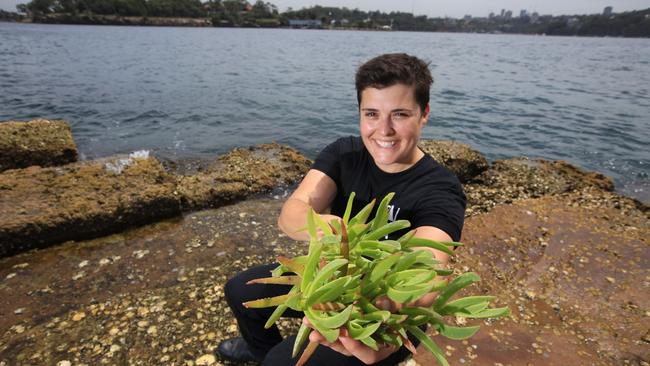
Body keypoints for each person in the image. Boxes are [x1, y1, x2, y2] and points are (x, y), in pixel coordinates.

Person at [217, 53, 466, 365]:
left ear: (424, 113)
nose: (384, 130)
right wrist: (328, 230)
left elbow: (429, 273)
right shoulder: (344, 154)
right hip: (327, 280)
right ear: (360, 112)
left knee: (282, 362)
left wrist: (385, 315)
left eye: (400, 114)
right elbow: (292, 212)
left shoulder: (440, 189)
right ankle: (260, 350)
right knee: (239, 290)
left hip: (384, 312)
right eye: (372, 114)